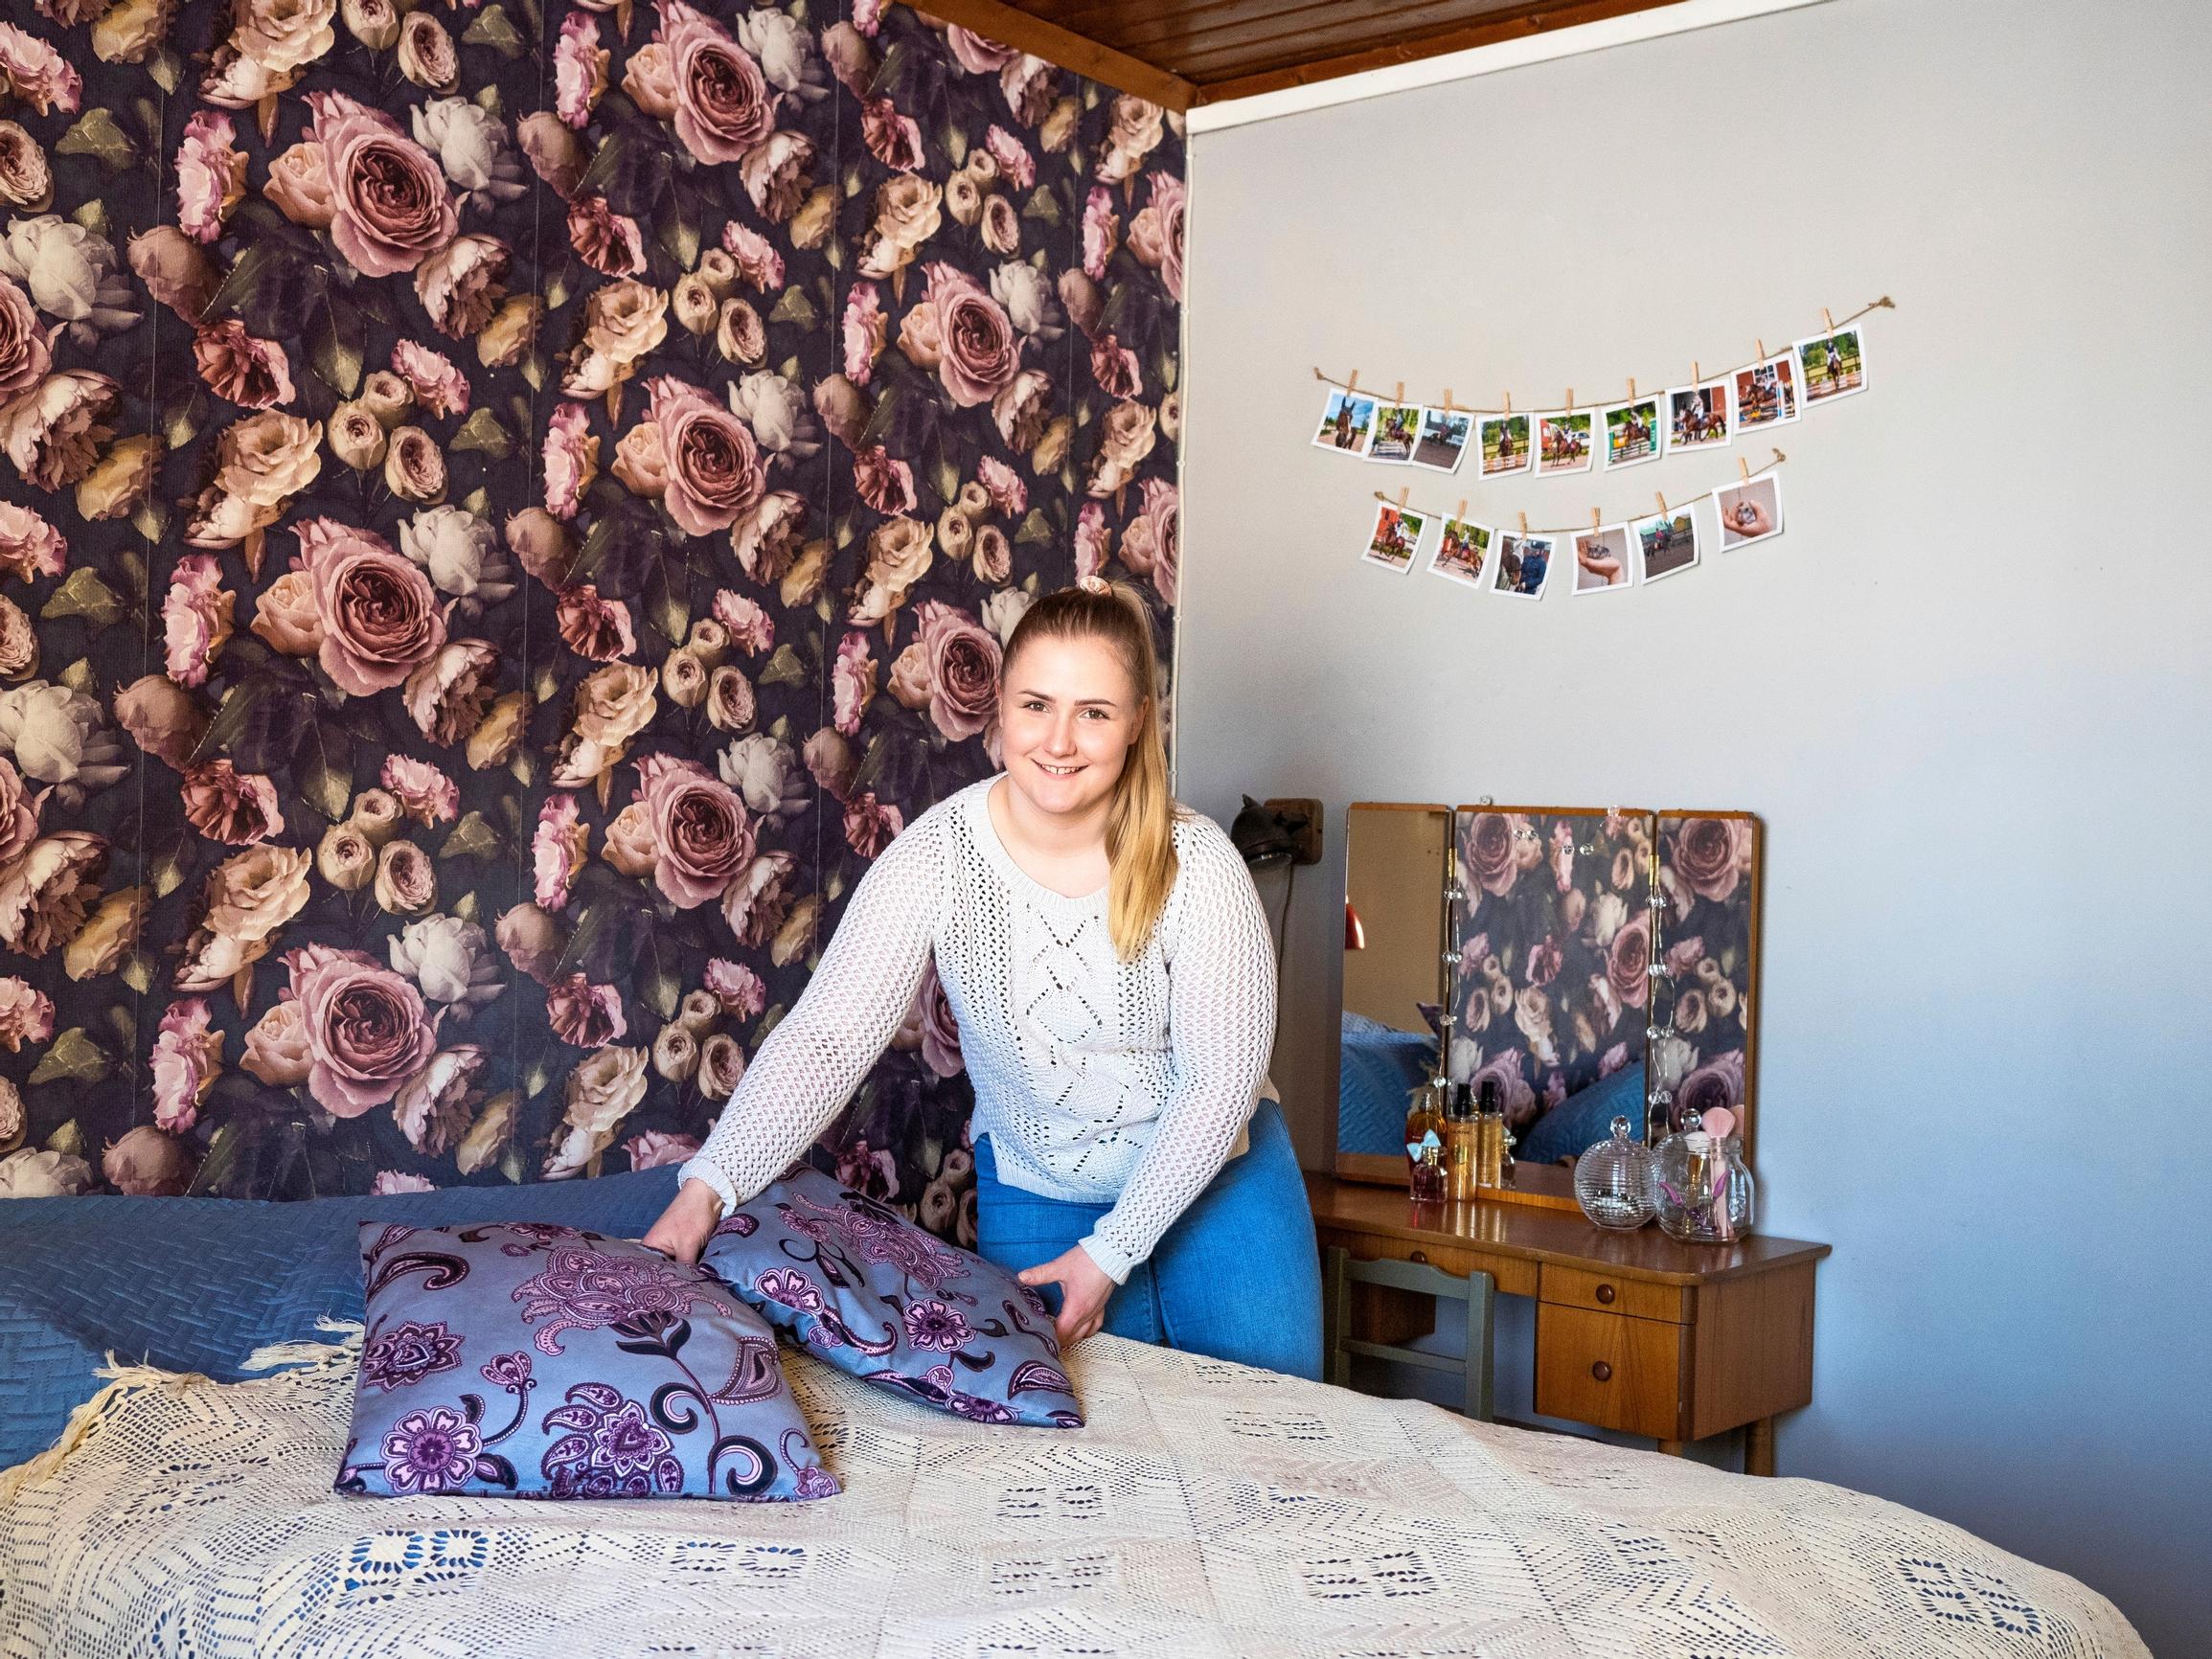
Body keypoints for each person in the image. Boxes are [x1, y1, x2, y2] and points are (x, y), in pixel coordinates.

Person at [644, 579, 1323, 1379]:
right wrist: (707, 1190)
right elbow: (830, 1036)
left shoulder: (1200, 864)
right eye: (1036, 705)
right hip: (1036, 1189)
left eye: (1094, 712)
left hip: (1222, 1182)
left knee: (1270, 1444)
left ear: (1138, 722)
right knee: (1076, 1464)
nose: (1059, 741)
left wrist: (1111, 1251)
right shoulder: (938, 855)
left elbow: (1221, 1083)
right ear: (999, 704)